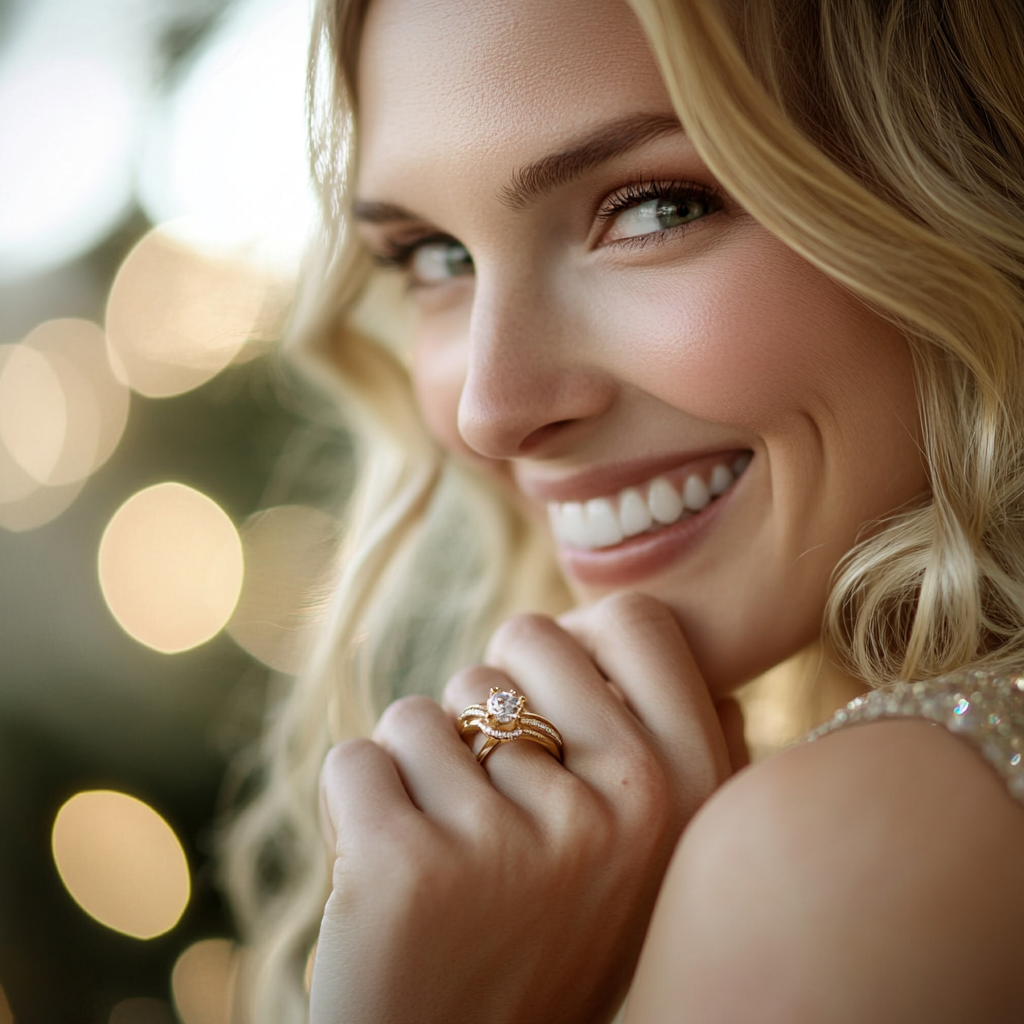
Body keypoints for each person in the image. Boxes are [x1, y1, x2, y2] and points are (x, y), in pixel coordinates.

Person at [221, 0, 1024, 1020]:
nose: (490, 411)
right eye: (436, 257)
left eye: (654, 207)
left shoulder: (843, 856)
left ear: (966, 168)